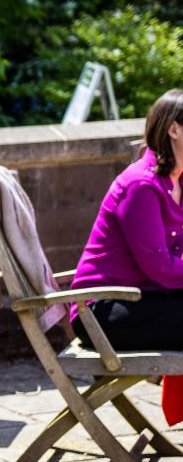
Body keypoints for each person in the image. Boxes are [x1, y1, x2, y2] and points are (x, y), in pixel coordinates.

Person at [71, 88, 183, 348]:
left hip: (147, 298)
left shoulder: (177, 182)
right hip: (102, 310)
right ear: (174, 130)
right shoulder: (141, 185)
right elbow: (162, 269)